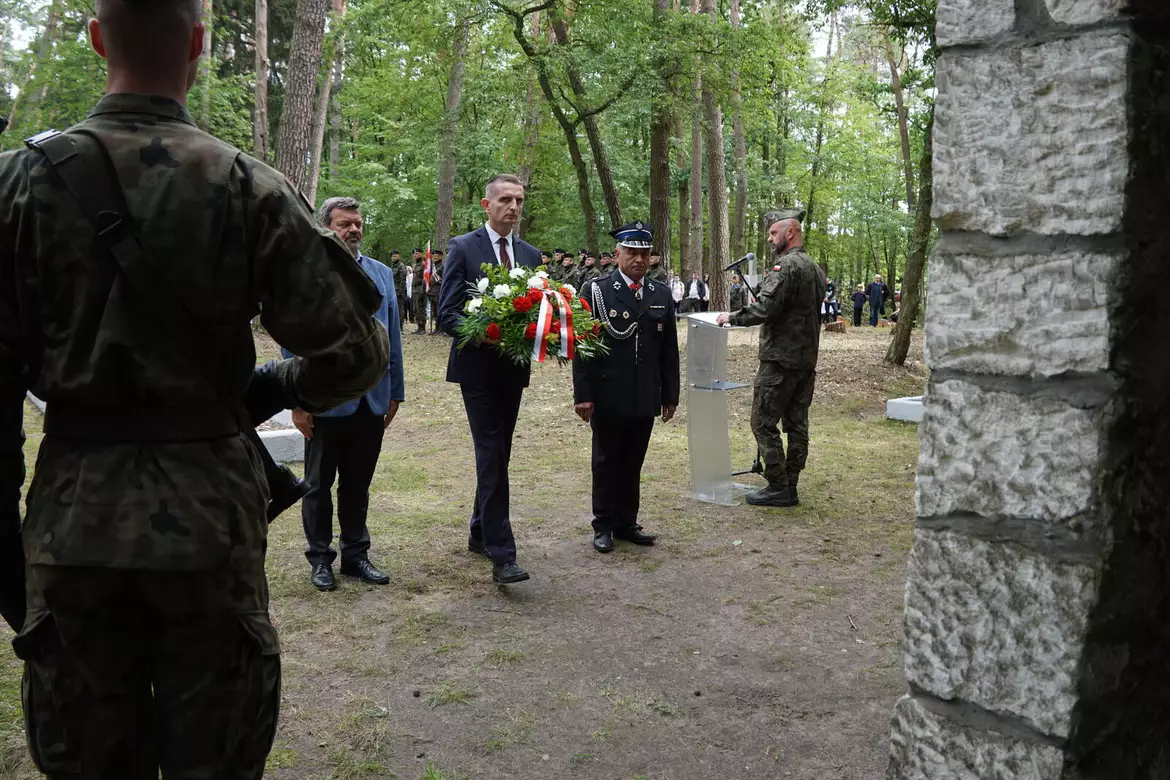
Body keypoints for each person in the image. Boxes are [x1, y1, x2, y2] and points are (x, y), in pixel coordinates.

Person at [0, 1, 390, 775]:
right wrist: (275, 383)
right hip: (209, 525)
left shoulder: (17, 185)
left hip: (73, 525)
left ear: (98, 38)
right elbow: (355, 354)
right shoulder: (246, 185)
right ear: (200, 47)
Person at [285, 197, 404, 592]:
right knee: (318, 486)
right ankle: (320, 559)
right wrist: (298, 402)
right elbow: (293, 342)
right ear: (326, 228)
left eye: (357, 223)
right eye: (344, 224)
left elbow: (394, 337)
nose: (353, 230)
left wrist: (395, 392)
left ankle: (356, 554)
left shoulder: (382, 274)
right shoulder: (307, 272)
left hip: (372, 401)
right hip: (325, 402)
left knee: (357, 484)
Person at [437, 174, 539, 585]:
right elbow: (447, 314)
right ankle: (503, 555)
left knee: (500, 453)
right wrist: (483, 332)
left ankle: (480, 530)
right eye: (505, 200)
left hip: (512, 372)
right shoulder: (464, 248)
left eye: (518, 200)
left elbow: (536, 313)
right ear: (486, 205)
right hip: (476, 370)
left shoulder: (531, 256)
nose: (512, 207)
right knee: (491, 452)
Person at [574, 221, 679, 553]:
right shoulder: (596, 291)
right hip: (608, 393)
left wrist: (670, 395)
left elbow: (668, 351)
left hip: (645, 392)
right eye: (632, 253)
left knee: (634, 460)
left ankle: (626, 522)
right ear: (617, 254)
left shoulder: (661, 293)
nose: (639, 259)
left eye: (644, 253)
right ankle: (603, 523)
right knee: (606, 460)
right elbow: (583, 348)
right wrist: (584, 395)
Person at [718, 208, 824, 508]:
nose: (769, 238)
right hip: (805, 361)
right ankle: (790, 483)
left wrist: (731, 318)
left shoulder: (786, 267)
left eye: (773, 233)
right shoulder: (814, 268)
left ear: (790, 233)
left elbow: (764, 309)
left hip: (779, 361)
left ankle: (779, 485)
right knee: (797, 424)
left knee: (762, 422)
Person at [389, 249, 409, 328]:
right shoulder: (392, 265)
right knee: (393, 308)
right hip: (392, 290)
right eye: (392, 256)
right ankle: (394, 325)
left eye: (395, 256)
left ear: (398, 256)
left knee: (399, 309)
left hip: (399, 291)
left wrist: (400, 292)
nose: (393, 258)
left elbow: (403, 280)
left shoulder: (401, 266)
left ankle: (400, 326)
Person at [427, 248, 445, 334]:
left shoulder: (442, 266)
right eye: (434, 256)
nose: (435, 257)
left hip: (439, 290)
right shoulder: (433, 267)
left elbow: (443, 279)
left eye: (437, 256)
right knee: (434, 311)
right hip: (432, 291)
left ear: (440, 256)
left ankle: (441, 328)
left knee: (439, 311)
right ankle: (436, 328)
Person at [412, 248, 428, 334]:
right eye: (414, 254)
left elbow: (424, 279)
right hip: (415, 290)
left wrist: (422, 291)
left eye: (417, 253)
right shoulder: (416, 265)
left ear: (421, 254)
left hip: (420, 290)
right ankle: (419, 326)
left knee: (421, 309)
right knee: (416, 309)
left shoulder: (423, 264)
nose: (415, 255)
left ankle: (422, 328)